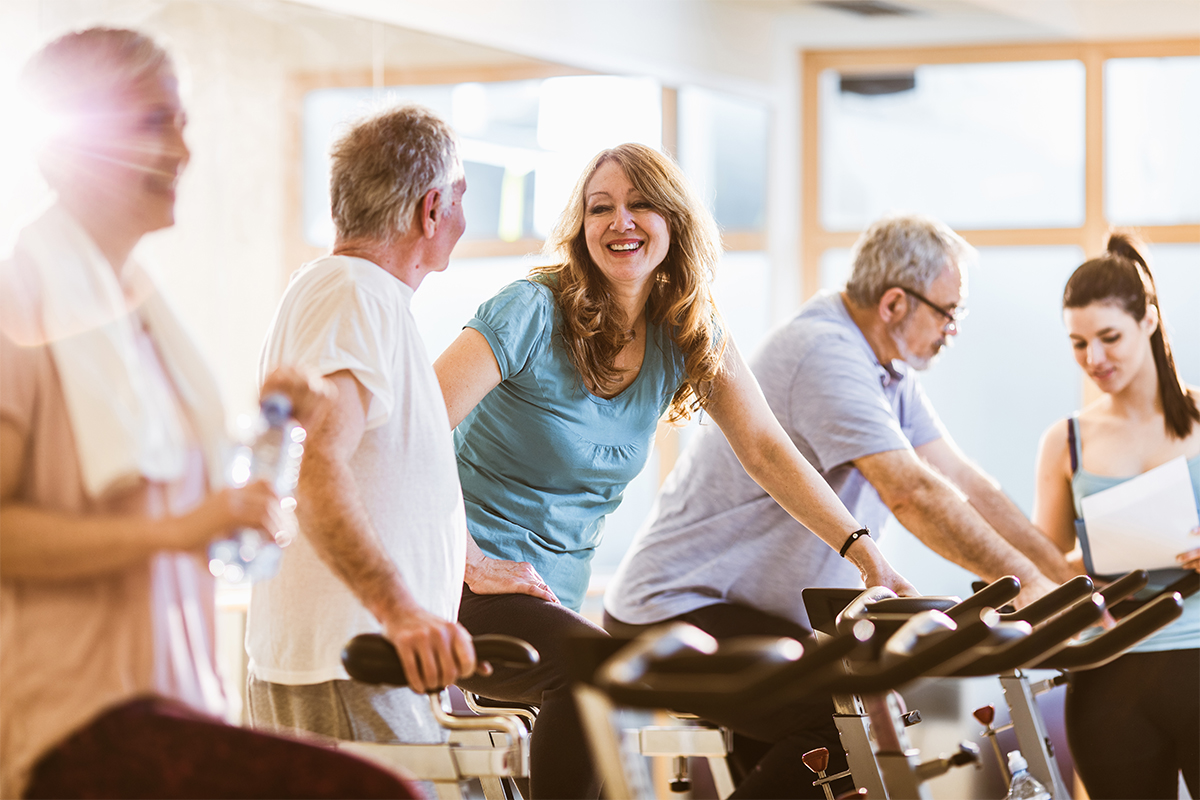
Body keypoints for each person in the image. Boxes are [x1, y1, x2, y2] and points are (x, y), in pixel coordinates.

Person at [0, 27, 417, 799]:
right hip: (74, 724)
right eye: (156, 123)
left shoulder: (143, 318)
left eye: (182, 123)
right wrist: (174, 531)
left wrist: (276, 435)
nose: (185, 151)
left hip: (178, 698)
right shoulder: (19, 305)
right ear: (73, 142)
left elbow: (204, 520)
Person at [432, 142, 914, 799]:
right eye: (600, 208)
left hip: (554, 601)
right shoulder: (529, 310)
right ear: (580, 229)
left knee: (818, 717)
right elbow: (418, 427)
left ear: (675, 223)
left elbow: (767, 450)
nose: (619, 221)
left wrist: (864, 555)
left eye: (640, 205)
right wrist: (467, 556)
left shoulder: (684, 327)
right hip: (460, 586)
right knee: (601, 672)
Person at [602, 213, 1077, 797]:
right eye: (947, 312)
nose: (953, 329)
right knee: (842, 719)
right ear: (896, 304)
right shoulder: (824, 354)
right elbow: (912, 492)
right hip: (672, 611)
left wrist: (1059, 578)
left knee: (841, 747)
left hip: (754, 619)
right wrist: (1029, 582)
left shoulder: (889, 375)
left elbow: (966, 484)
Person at [245, 104, 478, 754]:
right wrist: (401, 612)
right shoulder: (353, 293)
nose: (464, 217)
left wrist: (471, 560)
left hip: (357, 660)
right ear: (431, 210)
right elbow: (314, 465)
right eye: (461, 198)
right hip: (348, 662)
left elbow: (387, 475)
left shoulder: (358, 295)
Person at [1032, 233, 1199, 800]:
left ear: (1148, 321)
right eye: (1078, 343)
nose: (1095, 359)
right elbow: (1041, 565)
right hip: (1110, 671)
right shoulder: (1066, 440)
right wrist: (1088, 564)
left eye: (1109, 338)